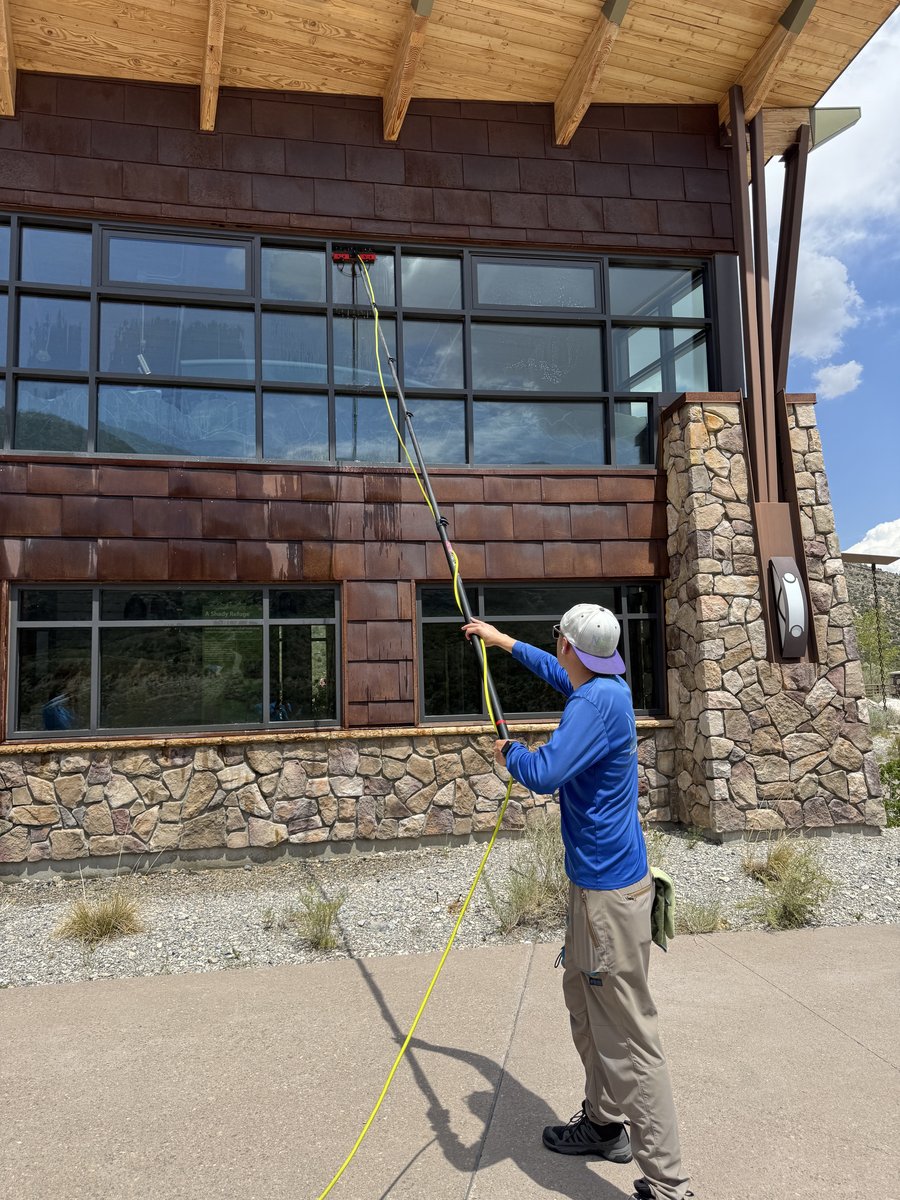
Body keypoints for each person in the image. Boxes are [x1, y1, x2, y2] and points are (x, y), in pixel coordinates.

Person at [463, 603, 694, 1200]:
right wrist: (501, 640)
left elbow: (546, 772)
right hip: (598, 887)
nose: (555, 651)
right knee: (583, 1002)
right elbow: (555, 671)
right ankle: (602, 1124)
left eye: (556, 641)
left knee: (630, 1036)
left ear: (570, 645)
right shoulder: (605, 687)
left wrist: (509, 754)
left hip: (607, 898)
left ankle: (668, 1185)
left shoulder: (592, 705)